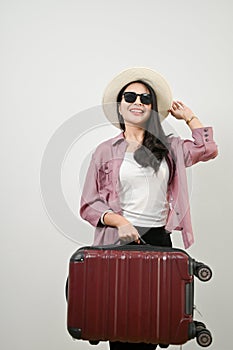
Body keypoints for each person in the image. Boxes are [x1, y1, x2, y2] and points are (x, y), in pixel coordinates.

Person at [79, 67, 218, 349]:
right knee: (118, 323)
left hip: (158, 240)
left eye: (145, 98)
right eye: (130, 96)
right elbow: (89, 203)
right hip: (118, 241)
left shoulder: (169, 147)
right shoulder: (105, 151)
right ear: (120, 105)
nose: (138, 102)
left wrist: (189, 117)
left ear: (153, 108)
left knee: (153, 324)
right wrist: (119, 222)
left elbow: (208, 149)